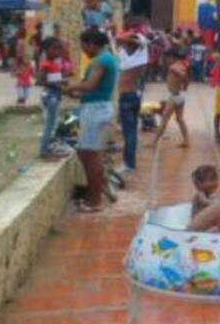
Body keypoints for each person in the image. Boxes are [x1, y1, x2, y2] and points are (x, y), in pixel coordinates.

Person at [65, 28, 118, 213]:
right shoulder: (109, 58)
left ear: (91, 43)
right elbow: (97, 88)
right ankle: (93, 196)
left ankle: (95, 201)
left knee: (89, 155)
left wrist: (72, 87)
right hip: (98, 106)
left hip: (96, 110)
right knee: (89, 154)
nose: (83, 49)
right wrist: (79, 93)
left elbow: (91, 84)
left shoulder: (100, 60)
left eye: (84, 45)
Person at [115, 31, 148, 174]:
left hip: (127, 97)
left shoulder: (137, 59)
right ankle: (130, 162)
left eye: (129, 44)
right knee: (131, 131)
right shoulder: (136, 59)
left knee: (128, 133)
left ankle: (129, 164)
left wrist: (130, 38)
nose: (125, 45)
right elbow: (118, 42)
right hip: (133, 96)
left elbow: (118, 39)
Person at [36, 38, 69, 159]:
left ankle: (49, 148)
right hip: (51, 95)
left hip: (55, 94)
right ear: (47, 50)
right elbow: (39, 81)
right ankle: (44, 151)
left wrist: (61, 80)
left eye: (60, 48)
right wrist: (57, 82)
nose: (59, 51)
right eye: (55, 48)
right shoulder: (46, 64)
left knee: (53, 124)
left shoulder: (54, 63)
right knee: (49, 125)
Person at [153, 48, 190, 148]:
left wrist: (182, 80)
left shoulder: (173, 67)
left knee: (164, 119)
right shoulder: (182, 65)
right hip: (180, 95)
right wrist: (185, 88)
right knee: (179, 119)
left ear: (172, 57)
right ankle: (186, 140)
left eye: (167, 58)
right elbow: (186, 78)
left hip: (175, 96)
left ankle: (154, 142)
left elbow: (183, 75)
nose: (166, 60)